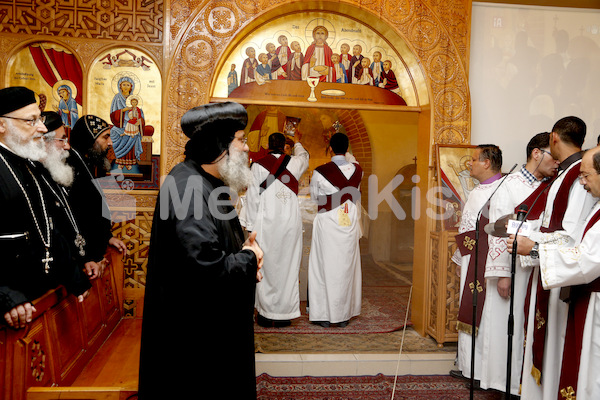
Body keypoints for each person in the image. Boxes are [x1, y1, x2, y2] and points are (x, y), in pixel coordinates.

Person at [138, 102, 263, 399]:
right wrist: (249, 257)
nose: (247, 149)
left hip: (205, 327)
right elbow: (205, 266)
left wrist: (243, 246)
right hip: (196, 339)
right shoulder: (188, 187)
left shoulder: (203, 179)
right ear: (219, 146)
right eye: (241, 140)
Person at [508, 116, 594, 400]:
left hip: (565, 277)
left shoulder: (575, 177)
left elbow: (571, 238)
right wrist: (526, 234)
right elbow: (551, 224)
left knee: (560, 350)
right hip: (551, 267)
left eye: (587, 177)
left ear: (553, 137)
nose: (584, 182)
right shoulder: (564, 175)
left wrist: (533, 246)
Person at [0, 86, 90, 329]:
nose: (41, 128)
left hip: (39, 297)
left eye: (38, 119)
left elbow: (47, 229)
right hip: (15, 306)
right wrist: (6, 295)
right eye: (31, 120)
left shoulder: (28, 164)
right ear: (1, 125)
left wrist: (74, 278)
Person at [476, 133, 558, 395]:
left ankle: (523, 384)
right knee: (504, 326)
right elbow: (501, 229)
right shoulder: (511, 184)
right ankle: (504, 383)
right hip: (511, 269)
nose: (557, 162)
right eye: (552, 156)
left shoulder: (549, 185)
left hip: (534, 266)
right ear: (536, 153)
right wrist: (503, 273)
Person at [450, 144, 503, 383]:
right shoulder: (480, 189)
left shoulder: (501, 189)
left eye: (473, 159)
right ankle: (467, 363)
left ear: (487, 163)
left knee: (486, 311)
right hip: (473, 256)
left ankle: (479, 369)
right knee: (471, 306)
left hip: (487, 260)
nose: (469, 163)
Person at [245, 132, 309, 327]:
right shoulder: (296, 163)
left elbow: (252, 198)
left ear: (267, 145)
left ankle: (265, 314)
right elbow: (305, 156)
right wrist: (297, 140)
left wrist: (250, 227)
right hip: (290, 223)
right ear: (284, 146)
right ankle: (284, 314)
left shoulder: (257, 165)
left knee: (266, 266)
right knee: (288, 267)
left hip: (266, 224)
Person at [308, 133, 363, 328]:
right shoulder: (358, 170)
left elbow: (315, 197)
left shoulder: (320, 172)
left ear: (330, 148)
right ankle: (344, 314)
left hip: (328, 219)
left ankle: (323, 314)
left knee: (324, 265)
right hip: (349, 218)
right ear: (347, 149)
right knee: (347, 265)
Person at [69, 115, 127, 279]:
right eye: (105, 137)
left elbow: (95, 210)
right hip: (83, 259)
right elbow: (80, 217)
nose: (110, 143)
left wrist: (107, 237)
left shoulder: (90, 163)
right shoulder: (72, 167)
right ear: (90, 139)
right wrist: (91, 256)